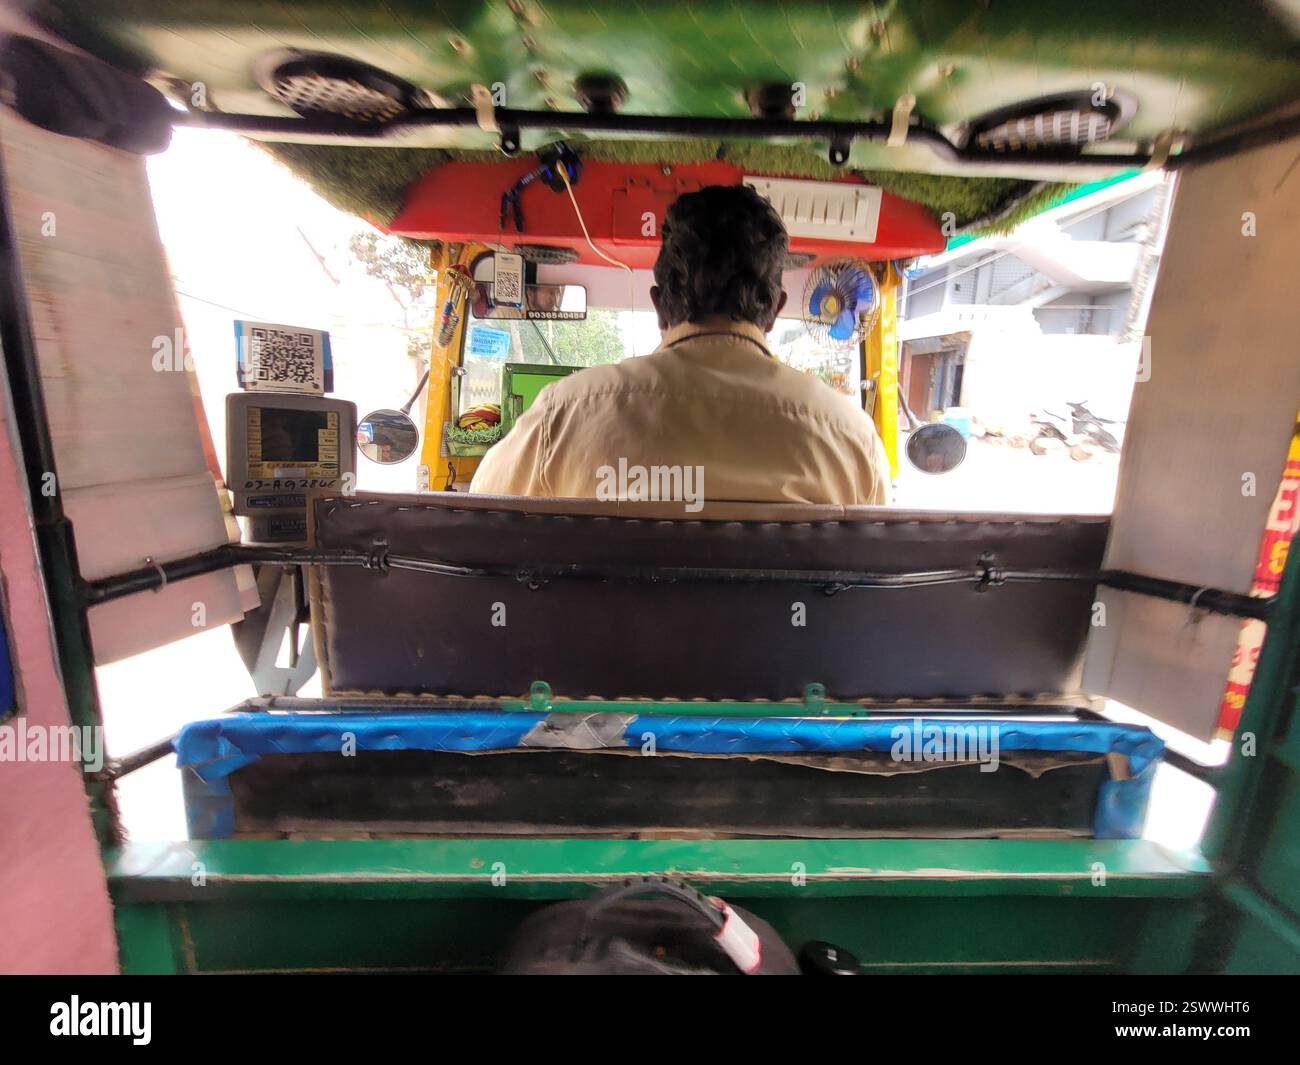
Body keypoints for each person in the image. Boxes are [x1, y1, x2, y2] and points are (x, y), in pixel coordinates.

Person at [469, 184, 891, 505]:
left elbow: (481, 525)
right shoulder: (853, 441)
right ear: (775, 309)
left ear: (659, 305)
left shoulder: (560, 420)